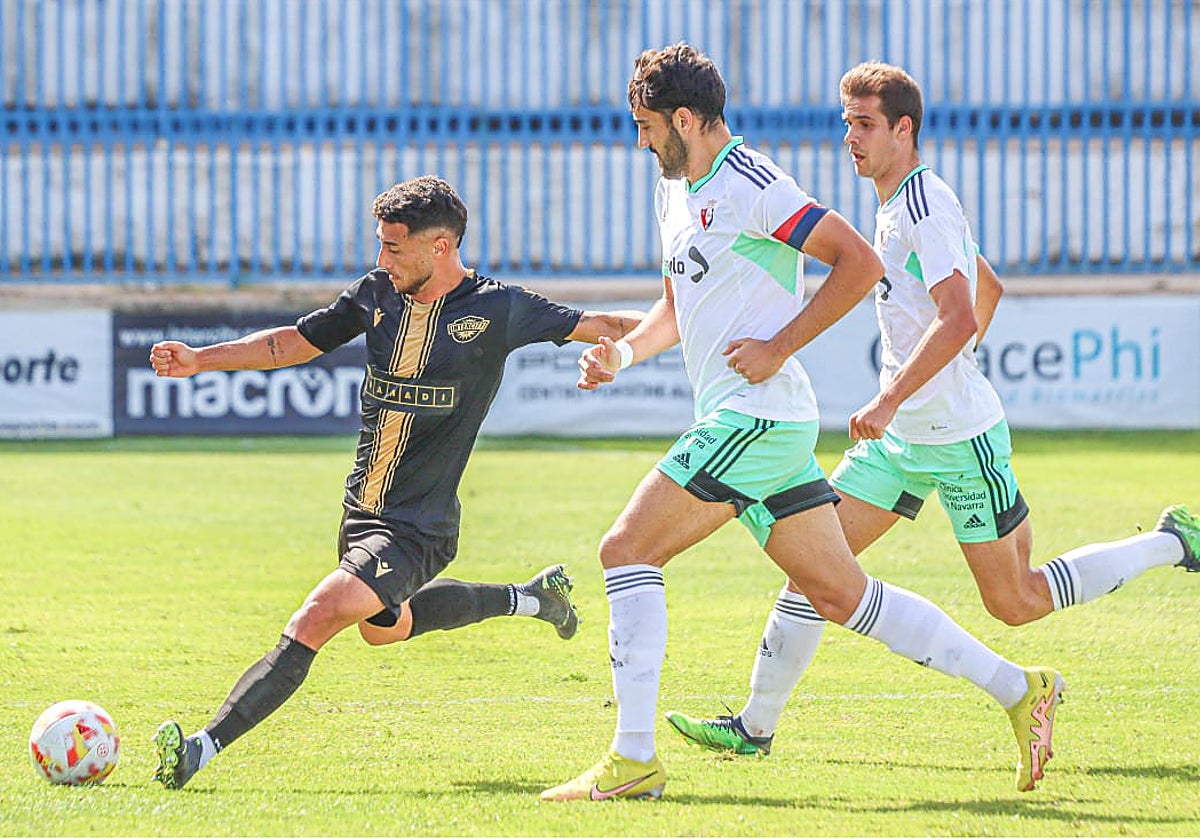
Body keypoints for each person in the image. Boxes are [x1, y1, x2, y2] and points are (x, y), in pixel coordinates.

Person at [540, 44, 1065, 802]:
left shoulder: (753, 183)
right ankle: (1021, 688)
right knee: (841, 596)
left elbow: (856, 261)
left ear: (685, 119)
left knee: (625, 549)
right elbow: (677, 310)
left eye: (648, 126)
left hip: (755, 418)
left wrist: (780, 345)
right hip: (762, 426)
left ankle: (632, 760)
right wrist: (619, 354)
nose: (642, 141)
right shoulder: (675, 192)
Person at [663, 60, 1200, 771]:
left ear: (903, 129)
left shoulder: (925, 204)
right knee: (815, 571)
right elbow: (989, 289)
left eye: (864, 125)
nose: (849, 138)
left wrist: (898, 394)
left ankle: (1171, 541)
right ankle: (755, 726)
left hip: (956, 438)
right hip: (901, 444)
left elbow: (955, 316)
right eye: (845, 123)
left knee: (1016, 600)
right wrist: (918, 385)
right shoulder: (895, 203)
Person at [148, 175, 643, 790]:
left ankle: (201, 746)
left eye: (393, 247)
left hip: (419, 525)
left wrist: (687, 329)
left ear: (440, 247)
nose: (381, 259)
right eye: (380, 246)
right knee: (389, 628)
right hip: (362, 511)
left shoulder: (499, 308)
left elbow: (604, 324)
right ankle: (534, 598)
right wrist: (202, 359)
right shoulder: (376, 293)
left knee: (317, 615)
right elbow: (294, 344)